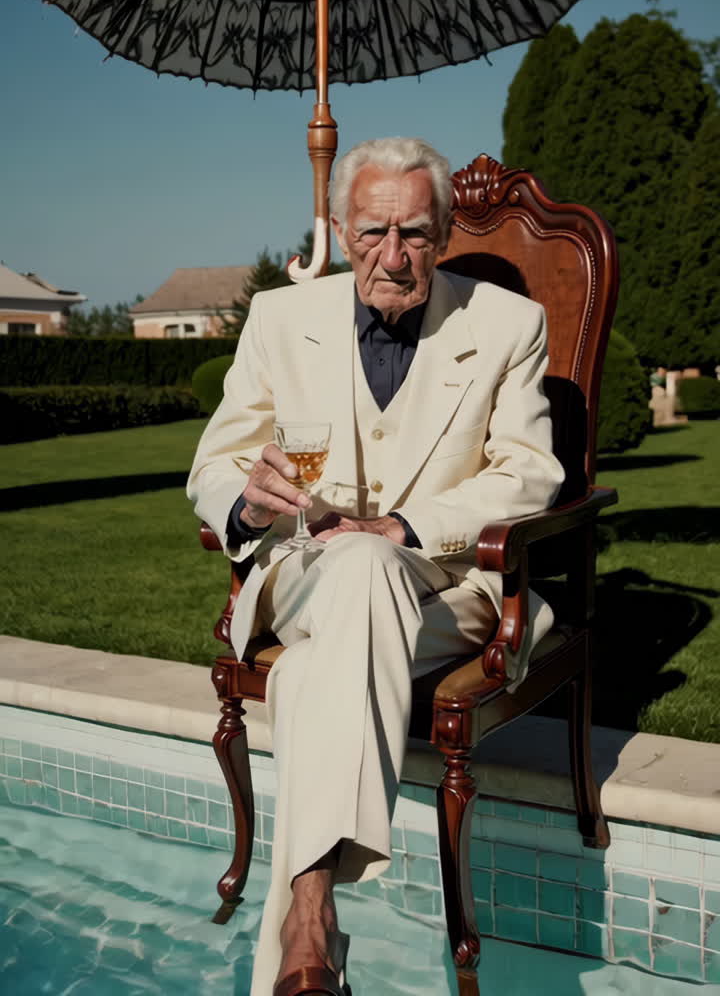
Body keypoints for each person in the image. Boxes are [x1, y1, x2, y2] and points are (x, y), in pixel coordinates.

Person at [187, 137, 564, 996]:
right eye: (371, 233)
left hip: (447, 585)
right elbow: (215, 466)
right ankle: (315, 917)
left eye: (415, 234)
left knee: (334, 625)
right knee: (352, 565)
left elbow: (531, 472)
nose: (393, 256)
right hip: (304, 577)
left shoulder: (508, 325)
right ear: (339, 229)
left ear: (444, 232)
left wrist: (404, 526)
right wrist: (249, 504)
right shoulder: (280, 319)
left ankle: (309, 915)